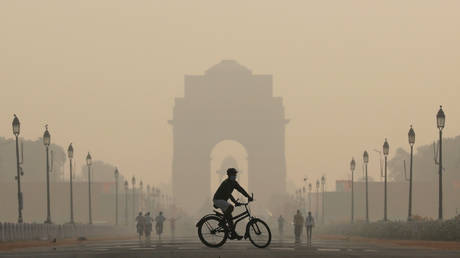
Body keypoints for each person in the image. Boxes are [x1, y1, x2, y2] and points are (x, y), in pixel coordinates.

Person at [213, 168, 253, 240]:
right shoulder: (226, 183)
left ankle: (234, 234)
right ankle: (222, 222)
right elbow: (229, 194)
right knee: (231, 207)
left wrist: (248, 196)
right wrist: (235, 202)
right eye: (233, 175)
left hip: (223, 201)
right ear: (229, 175)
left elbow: (241, 190)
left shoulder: (234, 183)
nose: (235, 176)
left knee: (230, 219)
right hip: (218, 200)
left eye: (235, 175)